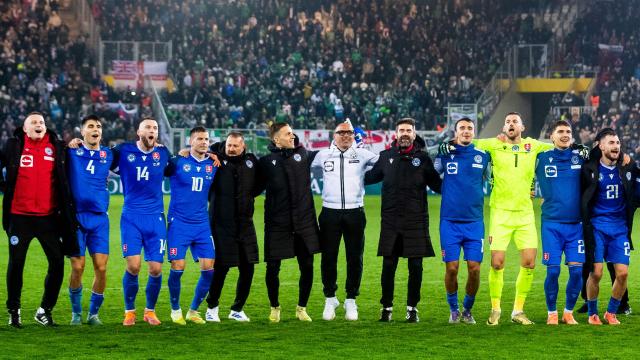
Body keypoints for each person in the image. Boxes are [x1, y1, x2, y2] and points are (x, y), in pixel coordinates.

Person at [1, 112, 78, 328]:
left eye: (41, 122)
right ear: (25, 129)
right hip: (19, 217)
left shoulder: (57, 147)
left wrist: (74, 143)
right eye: (33, 122)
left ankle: (44, 310)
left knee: (57, 263)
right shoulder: (14, 145)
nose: (39, 125)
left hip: (48, 219)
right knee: (16, 264)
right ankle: (14, 311)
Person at [365, 118, 442, 323]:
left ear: (414, 134)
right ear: (396, 134)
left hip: (416, 221)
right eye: (402, 130)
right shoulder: (385, 157)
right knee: (388, 266)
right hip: (390, 221)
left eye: (409, 130)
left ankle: (412, 308)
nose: (405, 133)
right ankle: (386, 308)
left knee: (415, 267)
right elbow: (368, 178)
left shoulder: (423, 160)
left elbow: (439, 186)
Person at [311, 121, 378, 321]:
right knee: (328, 258)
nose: (346, 136)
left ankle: (351, 299)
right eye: (342, 133)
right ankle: (330, 298)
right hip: (329, 213)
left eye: (349, 133)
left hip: (355, 212)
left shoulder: (363, 154)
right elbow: (298, 163)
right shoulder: (322, 155)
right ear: (334, 135)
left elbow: (386, 162)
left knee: (354, 258)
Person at [258, 122, 320, 322]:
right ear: (276, 139)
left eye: (293, 132)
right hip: (278, 224)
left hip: (304, 222)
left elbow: (331, 153)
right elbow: (251, 185)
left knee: (308, 265)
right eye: (288, 134)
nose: (293, 136)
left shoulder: (303, 155)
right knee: (273, 267)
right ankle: (274, 307)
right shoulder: (266, 162)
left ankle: (302, 308)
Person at [112, 118, 171, 326]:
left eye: (155, 127)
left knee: (156, 269)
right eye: (148, 127)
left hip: (155, 219)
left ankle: (150, 311)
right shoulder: (123, 151)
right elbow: (100, 160)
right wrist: (77, 144)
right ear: (139, 131)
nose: (152, 130)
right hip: (131, 218)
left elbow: (178, 169)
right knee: (134, 266)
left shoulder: (163, 153)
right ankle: (129, 311)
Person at [434, 118, 490, 324]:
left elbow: (493, 179)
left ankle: (467, 309)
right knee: (452, 268)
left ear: (474, 132)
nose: (466, 131)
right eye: (462, 128)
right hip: (449, 222)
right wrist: (438, 151)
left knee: (475, 269)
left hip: (474, 222)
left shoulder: (483, 156)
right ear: (456, 132)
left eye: (469, 128)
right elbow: (430, 173)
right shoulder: (446, 154)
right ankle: (454, 309)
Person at [581, 128, 638, 325]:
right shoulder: (589, 168)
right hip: (596, 227)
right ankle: (592, 313)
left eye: (618, 143)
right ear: (601, 145)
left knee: (622, 274)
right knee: (596, 273)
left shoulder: (627, 168)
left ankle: (611, 312)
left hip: (620, 229)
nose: (616, 146)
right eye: (612, 143)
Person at [205, 132, 261, 323]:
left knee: (248, 267)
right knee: (221, 267)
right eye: (229, 145)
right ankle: (211, 307)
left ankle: (237, 309)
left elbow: (259, 185)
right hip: (221, 225)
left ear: (243, 146)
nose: (231, 149)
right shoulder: (215, 159)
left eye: (235, 146)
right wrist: (207, 153)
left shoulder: (251, 162)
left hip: (245, 223)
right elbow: (196, 151)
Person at [535, 120, 585, 325]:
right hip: (551, 225)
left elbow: (606, 156)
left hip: (576, 225)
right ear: (551, 137)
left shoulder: (580, 157)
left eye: (568, 131)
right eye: (560, 131)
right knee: (553, 270)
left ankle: (568, 312)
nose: (565, 135)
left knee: (576, 271)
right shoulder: (541, 158)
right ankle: (551, 313)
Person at [166, 126, 217, 325]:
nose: (204, 142)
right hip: (179, 223)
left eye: (206, 139)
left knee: (209, 269)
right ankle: (175, 309)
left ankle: (193, 311)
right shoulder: (178, 161)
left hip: (202, 224)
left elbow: (227, 149)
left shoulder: (213, 164)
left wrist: (214, 154)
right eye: (200, 139)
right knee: (178, 267)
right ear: (191, 141)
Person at [66, 115, 113, 326]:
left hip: (99, 219)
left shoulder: (109, 154)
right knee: (78, 267)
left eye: (99, 127)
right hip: (76, 218)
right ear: (82, 131)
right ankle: (76, 313)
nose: (96, 129)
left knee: (101, 268)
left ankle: (93, 314)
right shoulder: (71, 152)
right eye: (91, 126)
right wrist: (70, 143)